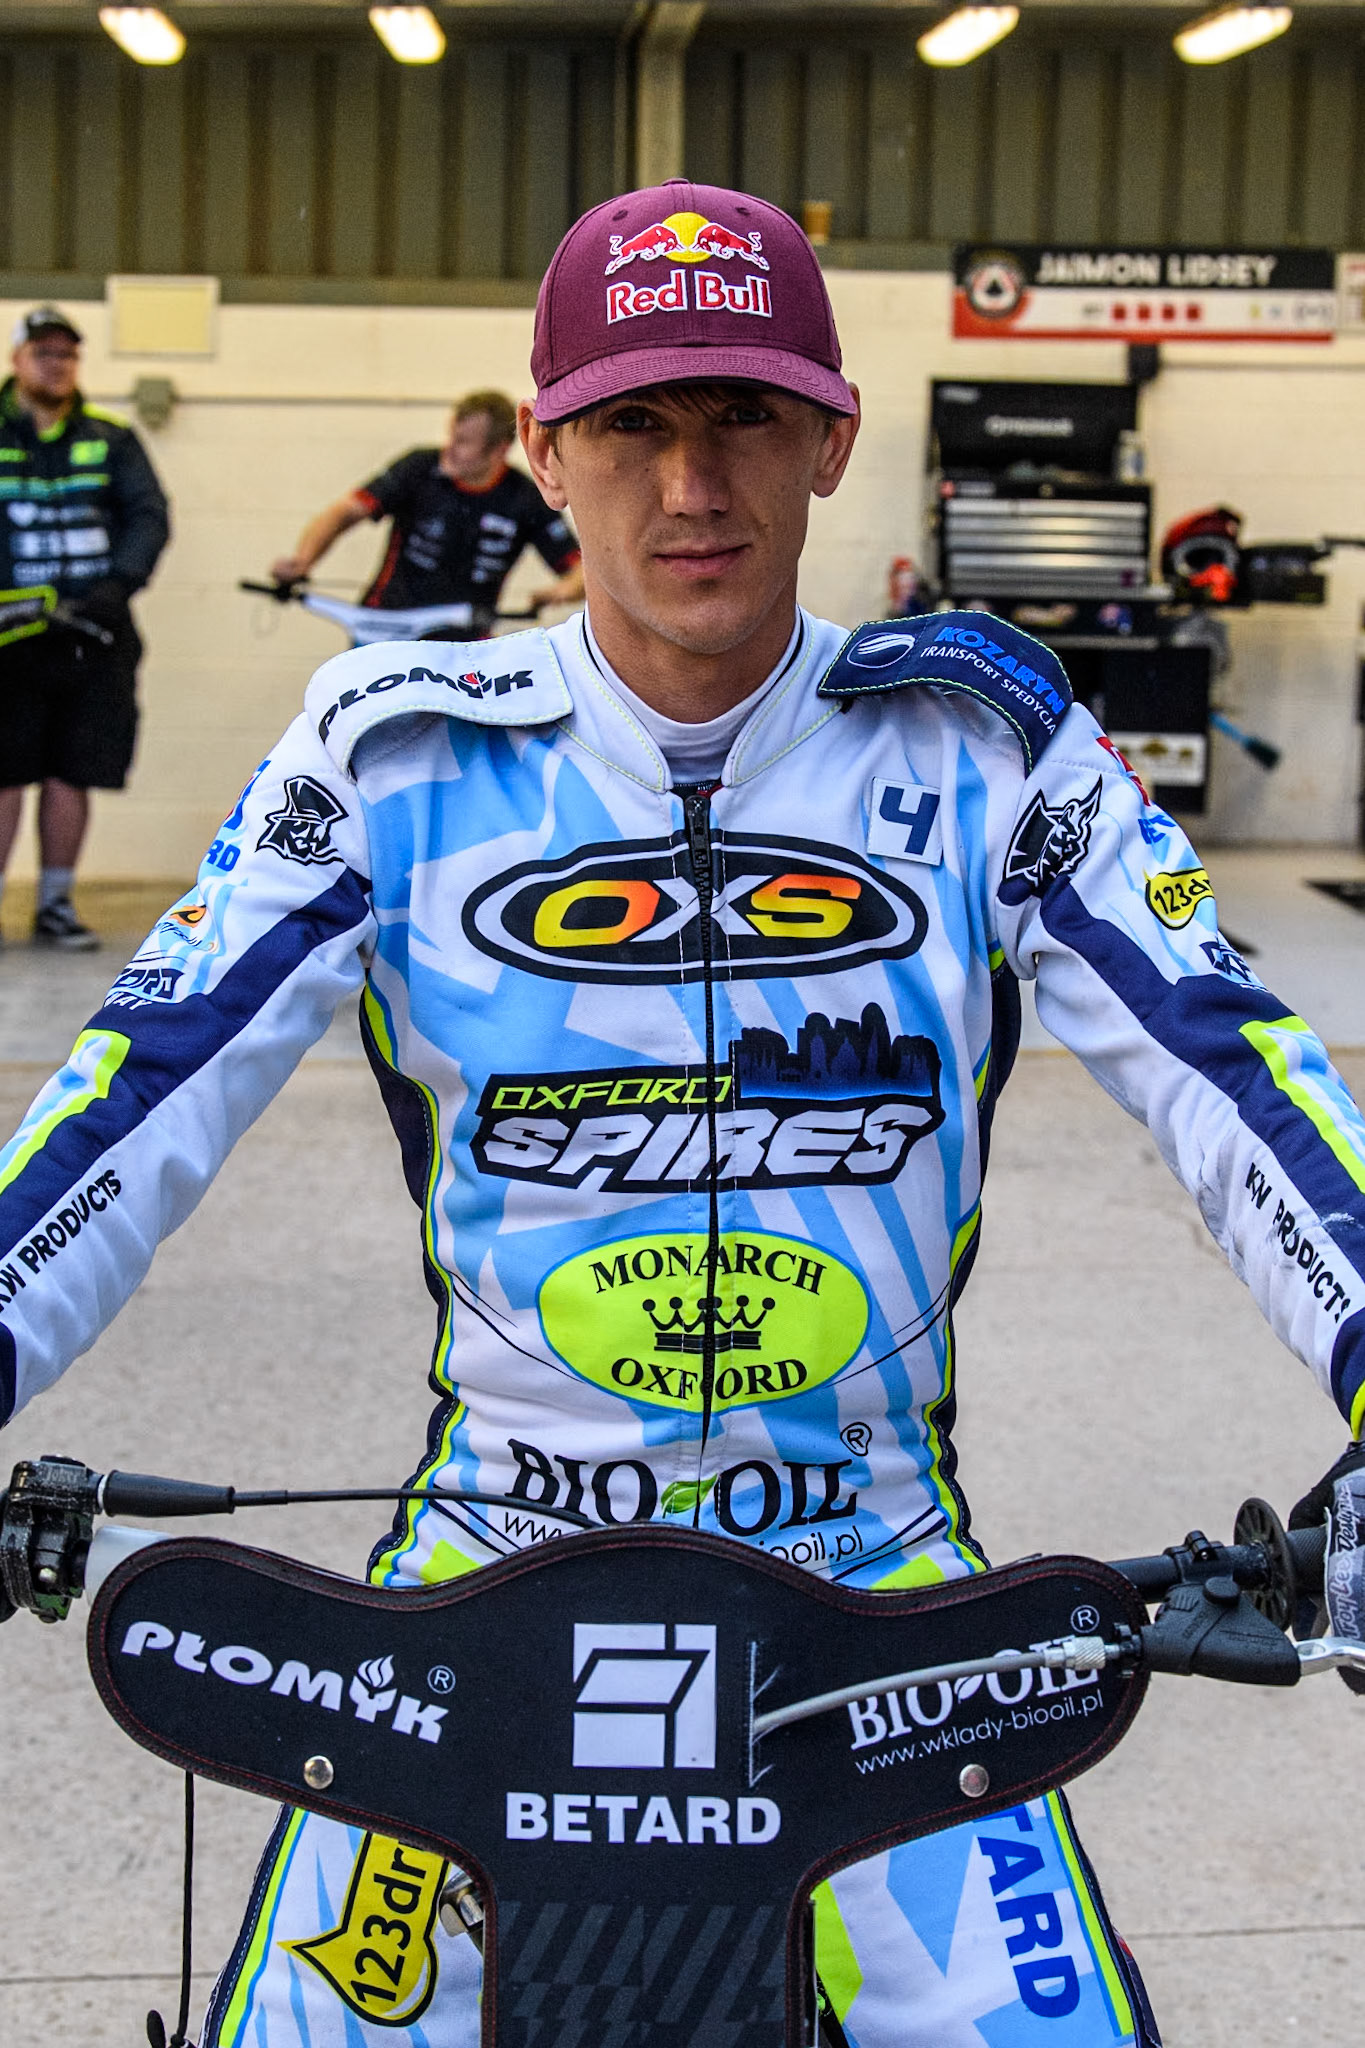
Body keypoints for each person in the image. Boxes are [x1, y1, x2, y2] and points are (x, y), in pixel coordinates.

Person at [2, 179, 1364, 2047]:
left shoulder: (983, 739)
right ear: (548, 452)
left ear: (832, 438)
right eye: (635, 423)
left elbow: (1233, 1068)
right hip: (484, 1563)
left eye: (741, 417)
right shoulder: (391, 748)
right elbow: (139, 1085)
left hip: (881, 1588)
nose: (692, 483)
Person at [0, 305, 170, 950]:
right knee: (5, 772)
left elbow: (149, 517)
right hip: (8, 641)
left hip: (93, 636)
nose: (56, 363)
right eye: (43, 352)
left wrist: (113, 588)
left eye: (67, 354)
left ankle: (55, 905)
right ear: (17, 360)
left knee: (74, 770)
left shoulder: (112, 438)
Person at [268, 387, 584, 629]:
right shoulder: (419, 468)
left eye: (462, 443)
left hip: (464, 643)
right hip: (386, 627)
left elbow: (580, 570)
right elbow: (344, 513)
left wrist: (562, 590)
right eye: (451, 437)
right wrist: (304, 560)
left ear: (499, 450)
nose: (450, 449)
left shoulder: (523, 497)